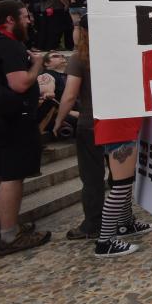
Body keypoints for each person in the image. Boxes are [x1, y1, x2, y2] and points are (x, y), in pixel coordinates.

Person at [0, 0, 51, 256]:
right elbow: (19, 84)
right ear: (10, 20)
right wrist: (37, 63)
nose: (30, 20)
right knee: (12, 176)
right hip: (13, 121)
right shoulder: (9, 45)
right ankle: (10, 235)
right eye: (25, 17)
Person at [54, 15, 105, 240]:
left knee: (92, 177)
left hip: (90, 124)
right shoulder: (115, 55)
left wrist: (58, 120)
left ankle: (93, 224)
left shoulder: (80, 58)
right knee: (121, 176)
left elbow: (70, 94)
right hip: (117, 124)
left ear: (82, 31)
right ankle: (122, 218)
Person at [92, 113, 152, 257]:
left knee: (124, 183)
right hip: (120, 128)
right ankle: (105, 241)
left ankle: (125, 224)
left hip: (119, 126)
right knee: (121, 186)